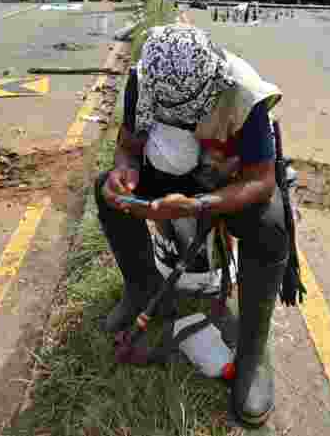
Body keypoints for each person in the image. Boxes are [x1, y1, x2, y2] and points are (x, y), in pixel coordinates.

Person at [95, 23, 290, 427]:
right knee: (105, 193)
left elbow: (261, 179)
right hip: (168, 170)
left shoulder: (242, 93)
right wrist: (124, 172)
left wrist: (199, 205)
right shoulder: (145, 77)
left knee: (270, 225)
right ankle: (143, 289)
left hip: (225, 179)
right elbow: (129, 144)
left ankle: (252, 351)